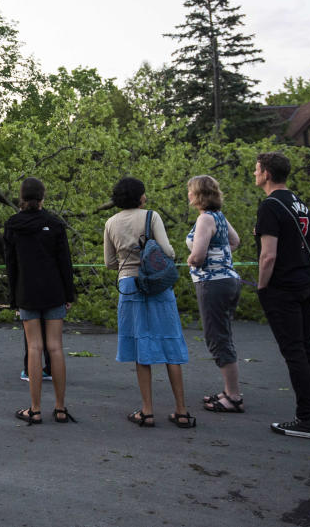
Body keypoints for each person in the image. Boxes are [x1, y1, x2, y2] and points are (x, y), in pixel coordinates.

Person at [254, 152, 310, 439]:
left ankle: (307, 419)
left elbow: (268, 256)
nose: (255, 175)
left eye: (256, 170)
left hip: (283, 287)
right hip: (306, 283)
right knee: (308, 348)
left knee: (294, 353)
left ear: (266, 173)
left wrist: (261, 287)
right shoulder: (301, 204)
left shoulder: (270, 206)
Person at [104, 177, 194, 429]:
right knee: (170, 341)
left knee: (141, 344)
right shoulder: (151, 217)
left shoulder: (110, 222)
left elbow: (109, 262)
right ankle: (182, 411)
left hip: (129, 285)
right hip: (156, 284)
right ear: (140, 196)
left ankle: (147, 411)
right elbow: (168, 252)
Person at [5, 177, 76, 425]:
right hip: (54, 291)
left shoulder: (13, 225)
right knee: (55, 347)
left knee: (34, 347)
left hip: (27, 292)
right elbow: (64, 262)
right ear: (43, 197)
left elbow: (11, 265)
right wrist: (69, 294)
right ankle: (60, 408)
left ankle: (35, 409)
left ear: (21, 197)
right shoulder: (55, 224)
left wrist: (13, 298)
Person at [185, 175, 244, 413]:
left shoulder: (204, 219)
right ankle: (229, 391)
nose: (188, 195)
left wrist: (191, 260)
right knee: (223, 334)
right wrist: (220, 256)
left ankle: (233, 396)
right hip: (228, 280)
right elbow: (235, 241)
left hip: (212, 284)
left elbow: (198, 256)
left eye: (190, 191)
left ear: (198, 195)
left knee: (217, 338)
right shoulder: (218, 216)